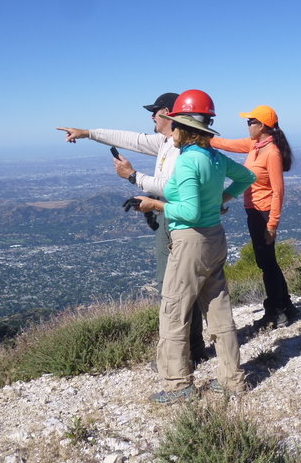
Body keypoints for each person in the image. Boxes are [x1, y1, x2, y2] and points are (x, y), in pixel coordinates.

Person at [56, 93, 209, 365]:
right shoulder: (168, 142)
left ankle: (182, 354)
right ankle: (192, 347)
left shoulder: (180, 148)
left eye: (154, 111)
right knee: (183, 285)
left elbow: (172, 190)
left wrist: (134, 178)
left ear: (167, 112)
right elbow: (131, 139)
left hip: (175, 218)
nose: (151, 117)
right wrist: (88, 133)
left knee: (172, 287)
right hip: (170, 215)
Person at [131, 89, 256, 403]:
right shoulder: (213, 156)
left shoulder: (188, 162)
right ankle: (232, 380)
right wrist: (221, 200)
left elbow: (187, 211)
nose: (170, 130)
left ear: (184, 127)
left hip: (191, 240)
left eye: (173, 124)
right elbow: (246, 176)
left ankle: (178, 385)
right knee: (218, 309)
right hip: (215, 235)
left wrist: (154, 206)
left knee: (173, 311)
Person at [211, 105, 297, 330]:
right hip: (254, 211)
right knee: (267, 262)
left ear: (263, 126)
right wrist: (202, 137)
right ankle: (285, 306)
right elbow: (226, 144)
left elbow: (278, 191)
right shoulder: (255, 145)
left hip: (264, 213)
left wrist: (272, 224)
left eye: (251, 122)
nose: (247, 125)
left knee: (266, 262)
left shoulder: (272, 153)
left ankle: (276, 312)